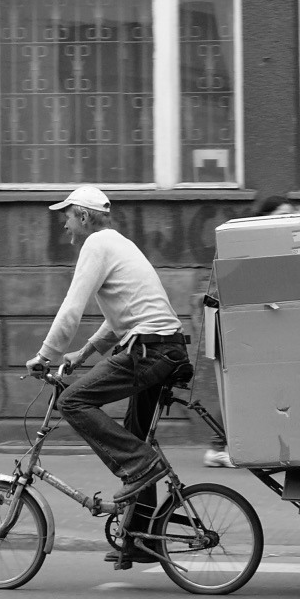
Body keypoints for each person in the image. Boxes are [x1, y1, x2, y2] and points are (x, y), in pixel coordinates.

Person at [25, 186, 190, 558]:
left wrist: (44, 355)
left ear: (84, 217)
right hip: (166, 348)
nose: (63, 224)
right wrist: (83, 353)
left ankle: (140, 466)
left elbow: (71, 309)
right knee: (134, 434)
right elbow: (123, 316)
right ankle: (142, 538)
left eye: (66, 216)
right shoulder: (119, 244)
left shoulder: (96, 247)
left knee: (73, 401)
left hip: (149, 350)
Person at [204, 194, 298, 468]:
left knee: (259, 386)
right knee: (241, 387)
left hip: (257, 327)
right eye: (280, 214)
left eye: (289, 214)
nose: (286, 219)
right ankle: (217, 446)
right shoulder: (248, 243)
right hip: (237, 327)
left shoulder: (274, 246)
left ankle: (261, 445)